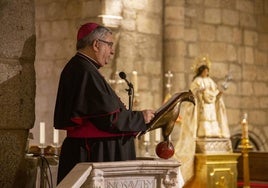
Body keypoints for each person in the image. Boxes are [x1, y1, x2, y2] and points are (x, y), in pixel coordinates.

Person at [53, 22, 155, 184]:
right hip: (94, 152)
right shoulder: (85, 71)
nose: (112, 51)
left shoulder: (82, 68)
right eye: (109, 45)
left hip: (90, 149)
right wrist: (140, 118)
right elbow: (109, 119)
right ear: (96, 44)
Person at [174, 56, 230, 183]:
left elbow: (214, 94)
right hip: (202, 107)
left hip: (210, 107)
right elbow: (193, 92)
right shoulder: (197, 81)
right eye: (204, 70)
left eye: (207, 70)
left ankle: (213, 134)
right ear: (200, 70)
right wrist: (199, 91)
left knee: (212, 120)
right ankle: (203, 134)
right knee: (204, 122)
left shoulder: (211, 81)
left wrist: (218, 94)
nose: (206, 72)